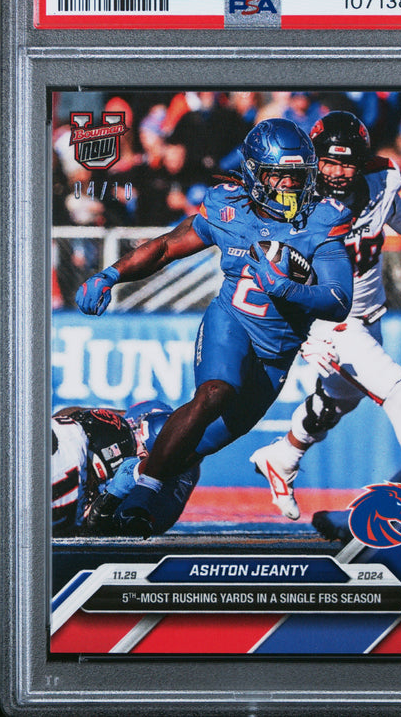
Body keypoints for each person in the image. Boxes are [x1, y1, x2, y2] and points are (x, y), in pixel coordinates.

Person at [76, 118, 354, 537]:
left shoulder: (322, 221)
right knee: (214, 393)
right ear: (255, 174)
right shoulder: (229, 208)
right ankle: (139, 495)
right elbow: (167, 247)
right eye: (279, 176)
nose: (289, 186)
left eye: (298, 177)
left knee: (194, 448)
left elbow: (338, 300)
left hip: (275, 355)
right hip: (232, 322)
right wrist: (110, 274)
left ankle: (125, 480)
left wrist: (286, 289)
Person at [250, 111, 401, 520]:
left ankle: (283, 456)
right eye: (328, 162)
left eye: (347, 163)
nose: (337, 172)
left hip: (369, 314)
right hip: (329, 320)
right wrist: (302, 332)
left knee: (337, 402)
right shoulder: (295, 198)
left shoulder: (380, 182)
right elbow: (268, 269)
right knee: (400, 394)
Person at [51, 402, 199, 536]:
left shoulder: (171, 486)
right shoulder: (144, 414)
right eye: (135, 428)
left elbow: (138, 525)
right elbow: (76, 415)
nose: (134, 440)